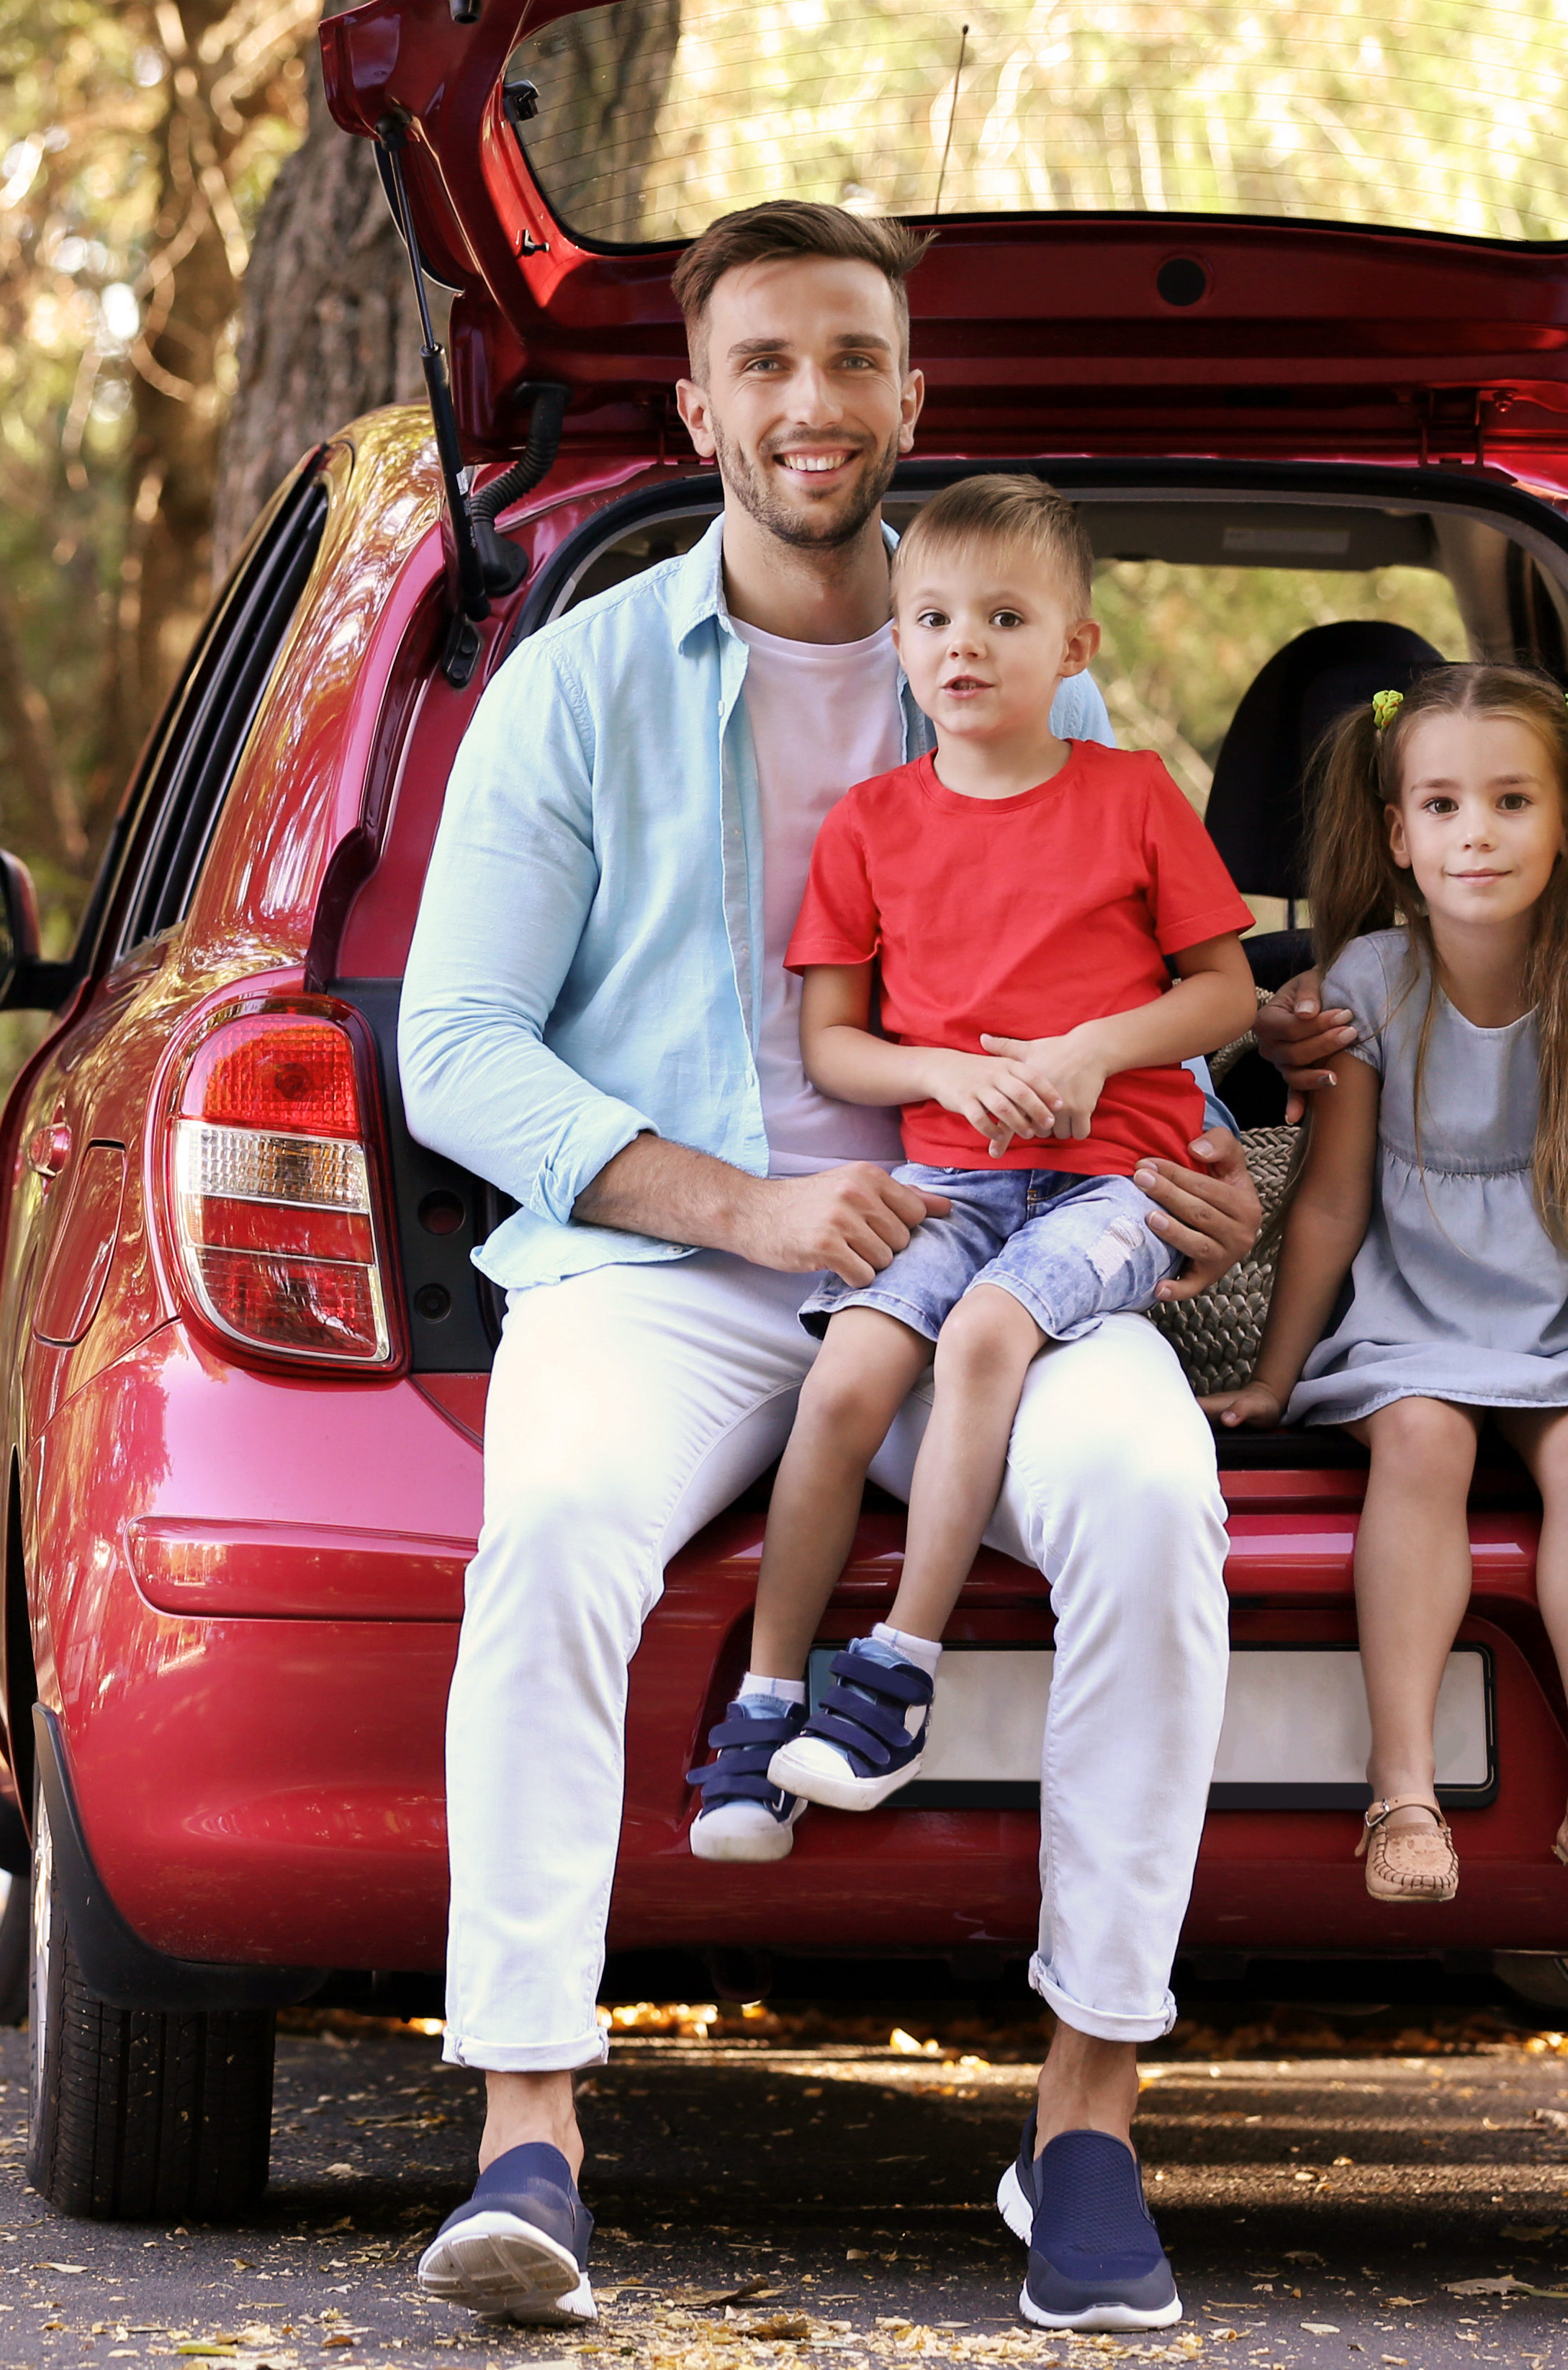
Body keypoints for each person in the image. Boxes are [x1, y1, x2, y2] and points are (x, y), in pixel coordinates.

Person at [397, 203, 1263, 2335]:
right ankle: (529, 2133)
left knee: (1152, 1499)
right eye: (766, 362)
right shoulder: (577, 684)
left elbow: (1128, 987)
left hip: (1005, 1240)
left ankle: (1083, 2125)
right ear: (698, 408)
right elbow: (455, 1049)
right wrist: (741, 1204)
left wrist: (1200, 1175)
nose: (814, 401)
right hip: (673, 1264)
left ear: (910, 396)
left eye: (854, 358)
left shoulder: (1012, 657)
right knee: (555, 1526)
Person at [686, 474, 1256, 1838]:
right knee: (844, 1381)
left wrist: (1094, 1048)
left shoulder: (1131, 795)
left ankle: (897, 1671)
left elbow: (1225, 994)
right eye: (934, 618)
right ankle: (767, 1700)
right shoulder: (870, 825)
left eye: (1006, 618)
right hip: (949, 1177)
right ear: (897, 642)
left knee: (988, 1333)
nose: (965, 646)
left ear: (1074, 648)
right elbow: (834, 1043)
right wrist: (940, 1070)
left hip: (1114, 1181)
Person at [1203, 665, 1568, 1918]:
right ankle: (1402, 1792)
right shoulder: (1365, 981)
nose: (1477, 834)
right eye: (1444, 805)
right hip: (1410, 1321)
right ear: (1399, 834)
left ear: (1567, 820)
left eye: (1512, 801)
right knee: (1420, 1437)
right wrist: (1274, 1378)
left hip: (1567, 1319)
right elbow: (1332, 1202)